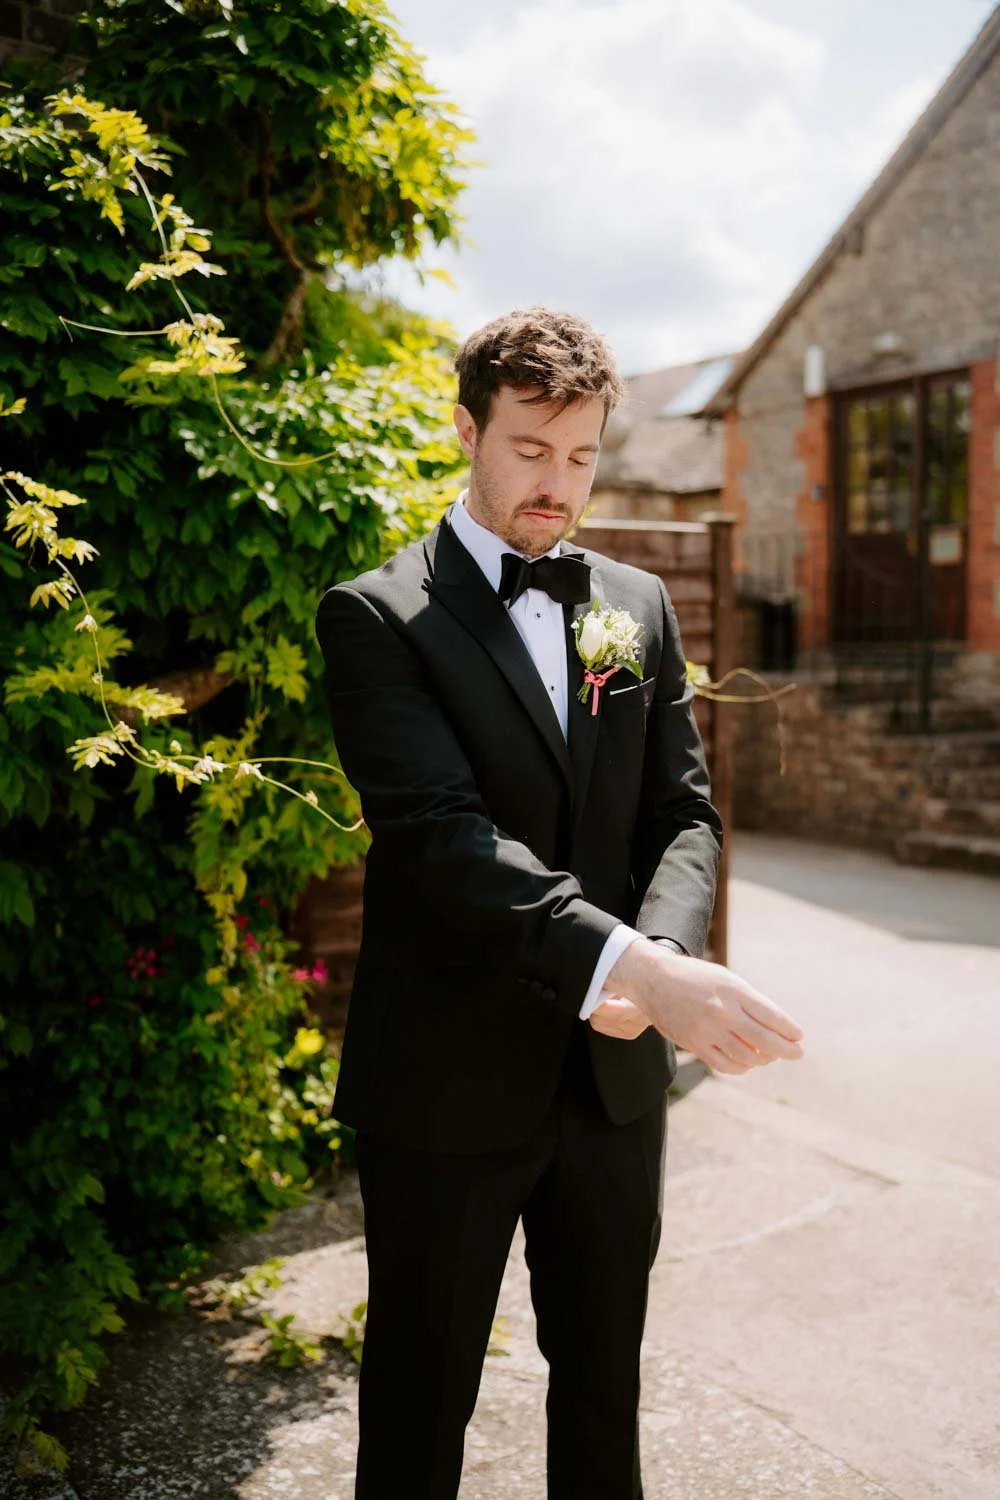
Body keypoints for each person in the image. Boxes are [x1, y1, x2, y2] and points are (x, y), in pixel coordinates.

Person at [314, 306, 805, 1500]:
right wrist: (634, 972)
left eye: (581, 456)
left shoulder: (630, 607)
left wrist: (657, 961)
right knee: (421, 1401)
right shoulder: (379, 615)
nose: (558, 483)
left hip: (614, 1088)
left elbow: (681, 816)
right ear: (467, 429)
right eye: (531, 450)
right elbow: (442, 839)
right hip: (444, 1080)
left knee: (602, 1386)